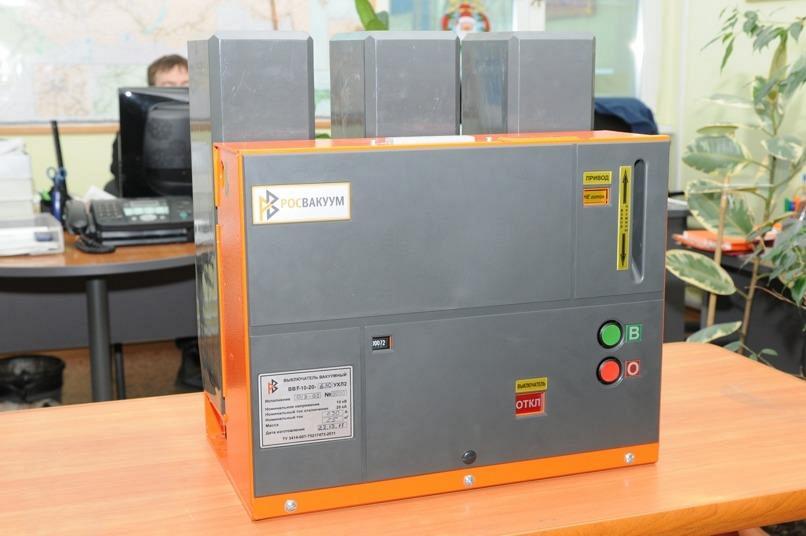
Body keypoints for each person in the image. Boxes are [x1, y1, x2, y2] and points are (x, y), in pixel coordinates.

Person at [108, 54, 189, 193]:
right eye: (169, 86)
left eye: (186, 84)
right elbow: (121, 170)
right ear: (152, 88)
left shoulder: (210, 123)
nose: (180, 91)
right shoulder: (134, 127)